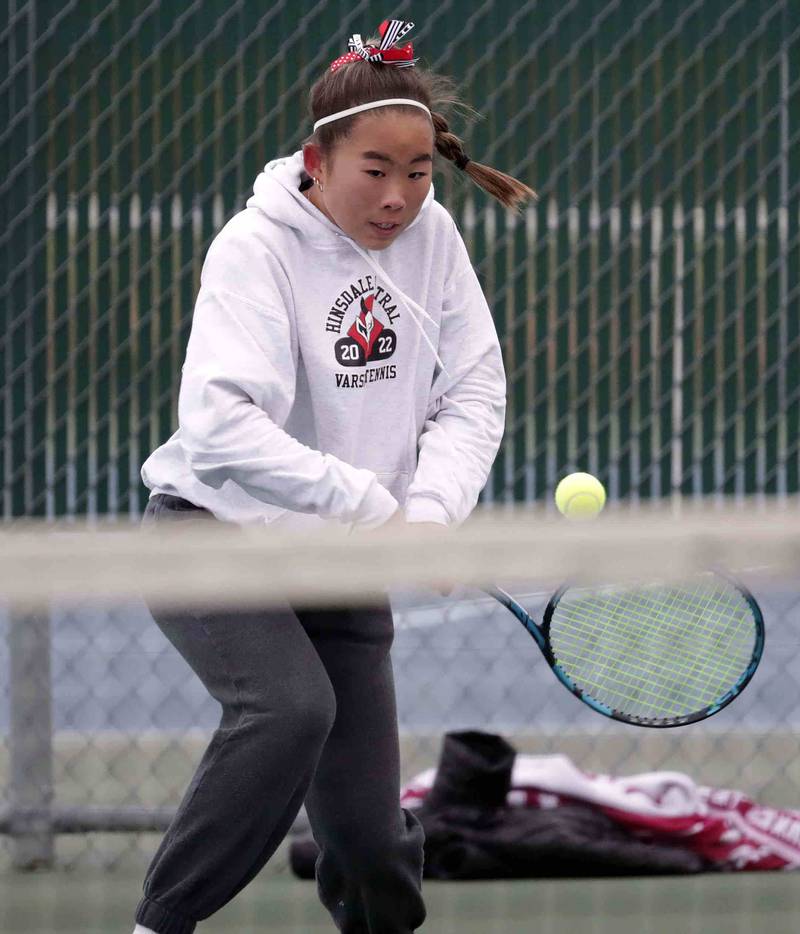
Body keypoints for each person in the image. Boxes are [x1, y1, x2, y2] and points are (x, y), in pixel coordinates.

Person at [133, 18, 535, 934]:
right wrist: (369, 505)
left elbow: (474, 390)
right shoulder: (254, 248)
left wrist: (429, 514)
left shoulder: (434, 241)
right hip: (212, 534)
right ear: (318, 160)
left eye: (420, 172)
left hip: (341, 562)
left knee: (366, 837)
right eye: (376, 171)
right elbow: (219, 423)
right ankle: (159, 924)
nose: (399, 197)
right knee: (287, 712)